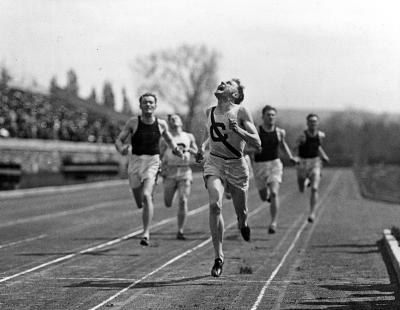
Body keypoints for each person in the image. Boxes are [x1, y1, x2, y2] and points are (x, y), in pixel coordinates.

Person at [196, 79, 261, 277]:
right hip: (214, 163)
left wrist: (238, 130)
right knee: (215, 205)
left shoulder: (241, 112)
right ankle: (219, 257)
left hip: (236, 165)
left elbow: (257, 142)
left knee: (241, 211)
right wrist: (202, 148)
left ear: (234, 94)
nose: (223, 82)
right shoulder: (209, 112)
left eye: (230, 83)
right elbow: (210, 134)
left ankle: (243, 223)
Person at [115, 93, 183, 246]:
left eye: (151, 102)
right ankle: (144, 203)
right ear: (140, 106)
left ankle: (145, 233)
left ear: (155, 105)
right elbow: (119, 140)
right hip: (135, 162)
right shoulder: (133, 122)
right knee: (139, 202)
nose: (148, 105)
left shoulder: (161, 124)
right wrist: (121, 149)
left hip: (152, 161)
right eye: (145, 102)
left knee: (146, 195)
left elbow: (170, 140)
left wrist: (177, 150)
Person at [248, 105, 298, 234]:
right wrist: (254, 150)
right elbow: (244, 148)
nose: (271, 117)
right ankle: (268, 196)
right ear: (263, 117)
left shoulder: (279, 132)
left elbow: (283, 145)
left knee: (274, 193)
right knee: (264, 197)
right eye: (268, 115)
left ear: (275, 117)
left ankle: (273, 223)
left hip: (275, 164)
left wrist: (291, 157)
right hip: (259, 166)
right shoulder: (256, 132)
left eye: (273, 115)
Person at [159, 114, 198, 240]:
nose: (173, 120)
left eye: (176, 118)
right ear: (169, 124)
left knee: (183, 200)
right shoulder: (165, 138)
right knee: (168, 203)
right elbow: (159, 155)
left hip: (185, 171)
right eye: (170, 119)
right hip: (169, 172)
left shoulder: (188, 136)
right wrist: (159, 169)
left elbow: (196, 152)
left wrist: (191, 153)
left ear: (181, 121)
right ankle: (172, 192)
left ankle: (180, 230)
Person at [295, 113, 330, 223]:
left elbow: (318, 147)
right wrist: (295, 156)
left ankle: (312, 213)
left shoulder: (320, 135)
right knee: (301, 188)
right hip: (302, 162)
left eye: (315, 121)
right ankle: (304, 182)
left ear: (318, 123)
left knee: (315, 188)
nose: (313, 123)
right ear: (307, 123)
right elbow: (295, 148)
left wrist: (323, 155)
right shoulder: (302, 135)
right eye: (311, 121)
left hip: (315, 162)